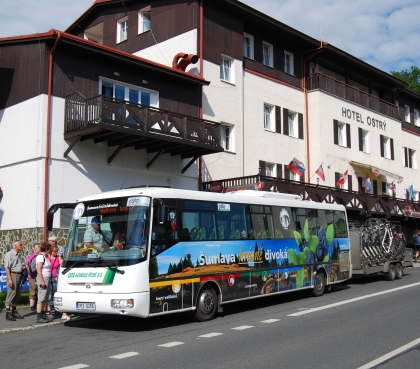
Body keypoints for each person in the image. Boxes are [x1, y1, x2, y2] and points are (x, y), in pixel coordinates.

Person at [4, 240, 25, 321]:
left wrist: (22, 267)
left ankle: (14, 310)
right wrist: (9, 279)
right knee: (11, 292)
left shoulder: (19, 254)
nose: (22, 246)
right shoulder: (10, 254)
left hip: (19, 274)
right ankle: (7, 312)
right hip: (13, 275)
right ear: (15, 246)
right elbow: (7, 267)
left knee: (18, 293)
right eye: (20, 244)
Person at [36, 242, 53, 323]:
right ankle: (39, 316)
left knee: (46, 297)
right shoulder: (40, 257)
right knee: (41, 297)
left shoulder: (45, 257)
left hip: (48, 278)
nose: (50, 250)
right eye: (49, 249)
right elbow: (38, 269)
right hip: (43, 278)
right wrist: (42, 281)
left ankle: (44, 314)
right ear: (46, 249)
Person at [25, 243, 40, 312]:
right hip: (32, 276)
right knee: (33, 289)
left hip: (39, 275)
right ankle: (32, 306)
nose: (36, 249)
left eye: (37, 248)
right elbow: (27, 264)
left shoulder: (41, 256)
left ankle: (37, 304)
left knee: (38, 290)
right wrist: (30, 272)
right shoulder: (31, 256)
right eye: (35, 248)